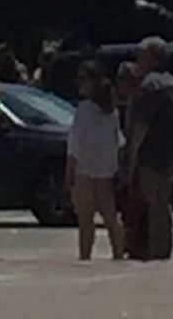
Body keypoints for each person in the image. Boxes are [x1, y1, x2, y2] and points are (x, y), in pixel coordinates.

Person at [125, 38, 173, 263]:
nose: (138, 59)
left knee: (151, 203)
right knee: (163, 202)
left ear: (153, 58)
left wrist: (131, 158)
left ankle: (154, 249)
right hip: (168, 152)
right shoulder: (172, 83)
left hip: (149, 155)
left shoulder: (148, 86)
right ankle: (164, 246)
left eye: (142, 54)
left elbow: (141, 127)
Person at [66, 60, 126, 263]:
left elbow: (75, 142)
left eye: (82, 79)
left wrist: (70, 170)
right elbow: (118, 142)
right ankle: (119, 255)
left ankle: (85, 258)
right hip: (106, 171)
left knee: (85, 220)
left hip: (85, 169)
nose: (79, 83)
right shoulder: (112, 111)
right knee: (110, 217)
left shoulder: (84, 109)